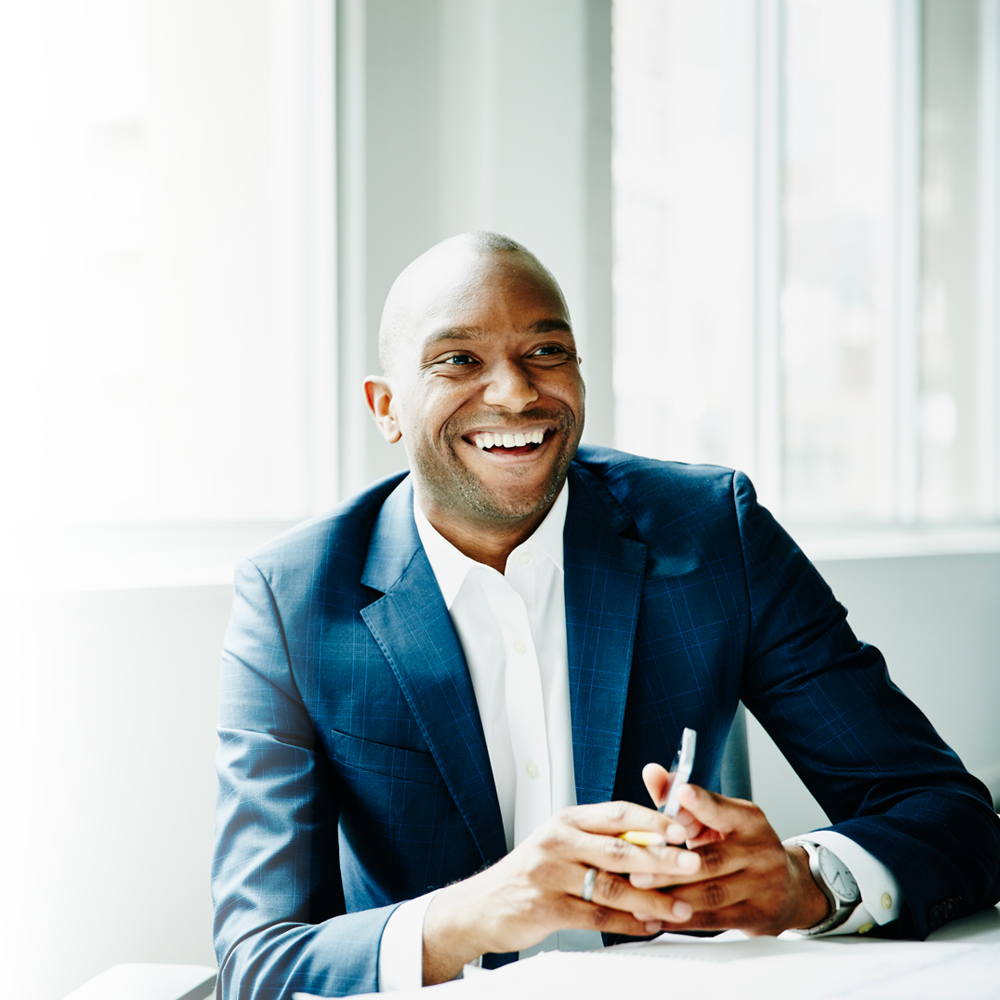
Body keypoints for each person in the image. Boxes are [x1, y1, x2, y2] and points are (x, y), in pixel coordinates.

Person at [212, 232, 1000, 998]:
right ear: (386, 408)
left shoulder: (713, 533)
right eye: (458, 360)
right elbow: (260, 959)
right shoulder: (293, 599)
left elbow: (954, 820)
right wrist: (479, 913)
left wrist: (805, 883)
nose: (517, 392)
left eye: (545, 352)